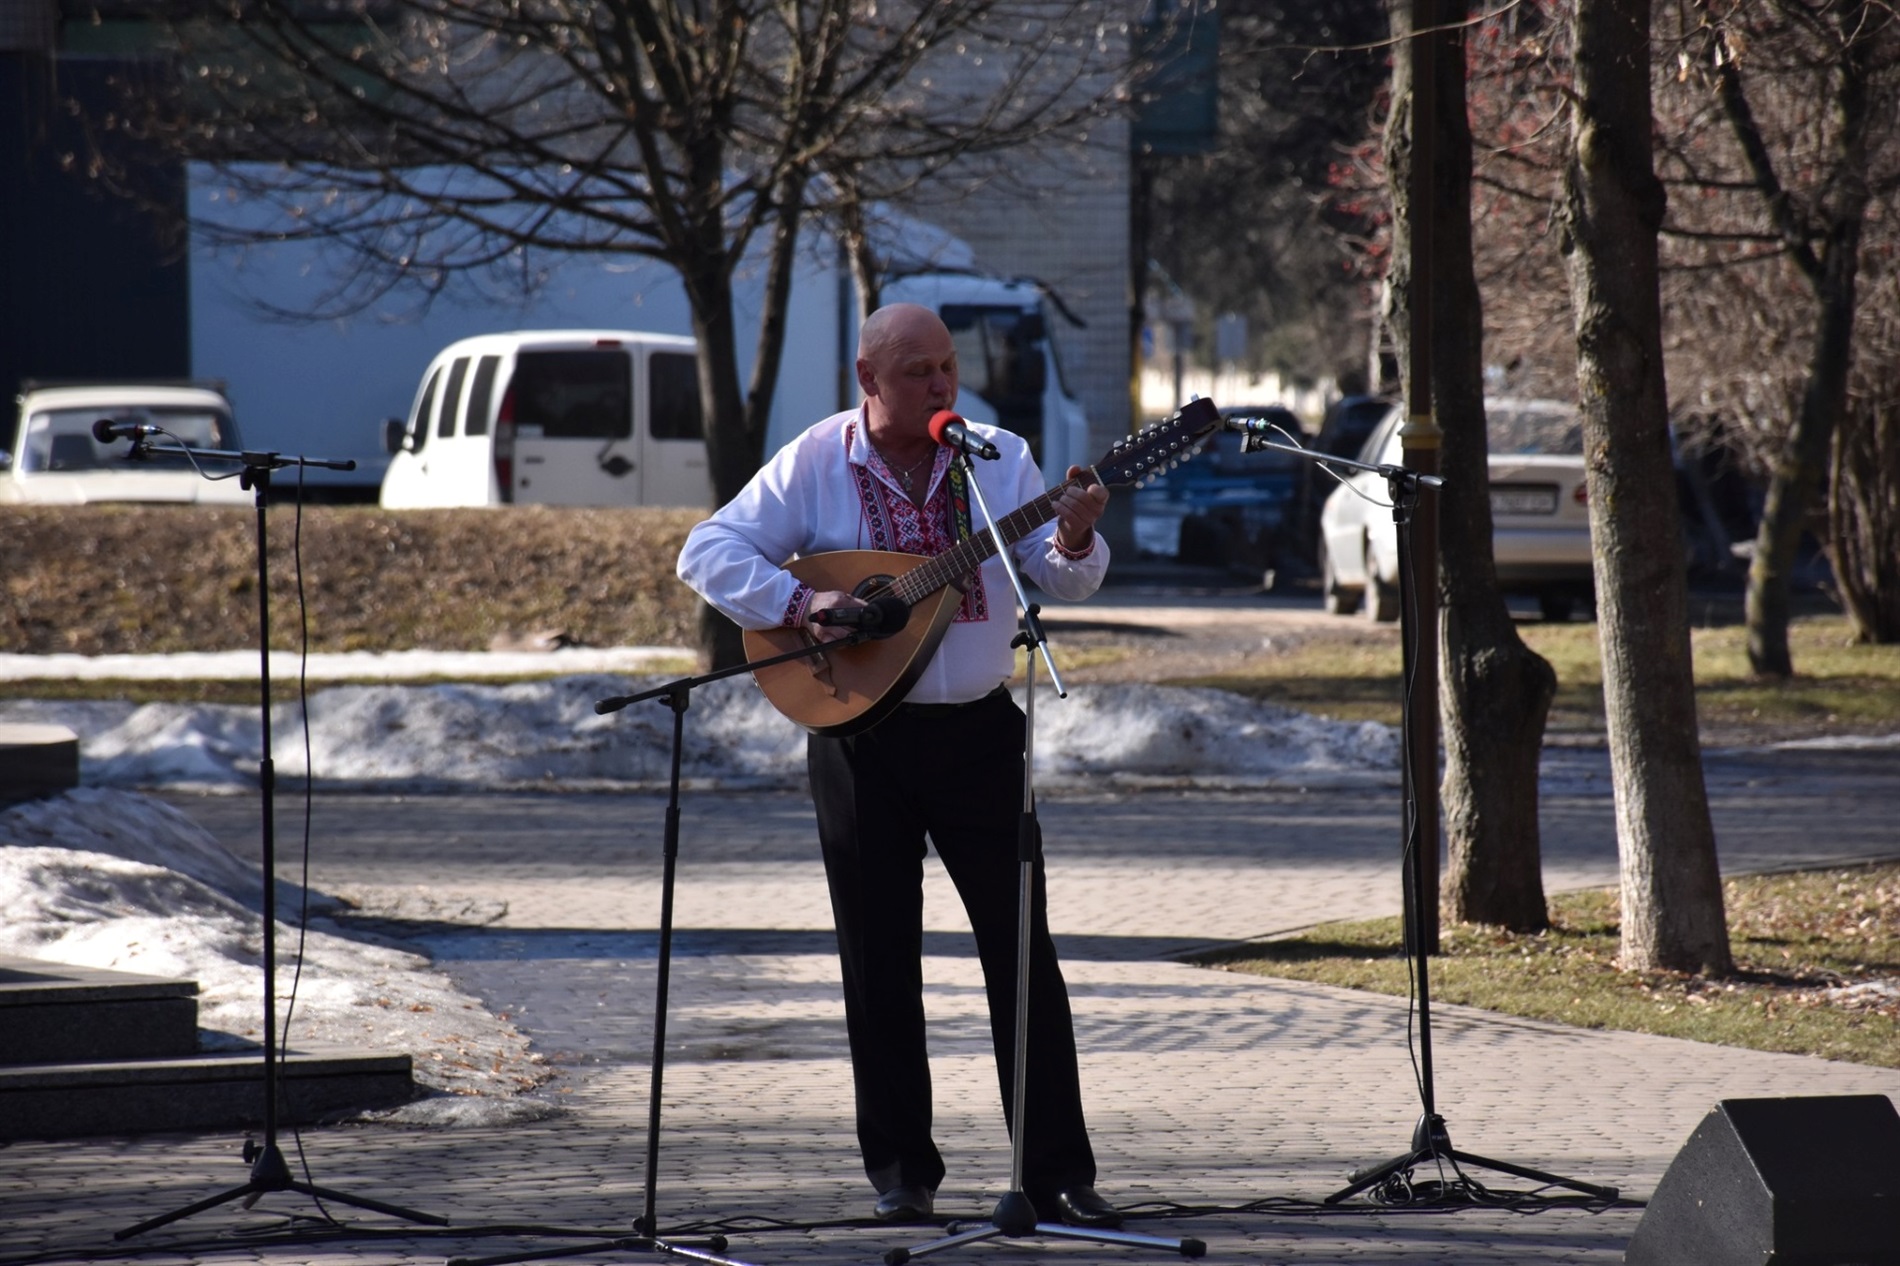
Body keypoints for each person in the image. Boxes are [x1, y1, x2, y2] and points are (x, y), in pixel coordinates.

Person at [676, 303, 1122, 1229]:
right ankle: (902, 1174)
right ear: (868, 379)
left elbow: (1060, 573)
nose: (941, 385)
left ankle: (1055, 1171)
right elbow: (706, 550)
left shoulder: (996, 456)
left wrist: (1076, 535)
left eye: (948, 368)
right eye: (917, 370)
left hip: (980, 735)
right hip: (859, 734)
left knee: (1021, 951)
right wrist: (804, 601)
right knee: (879, 959)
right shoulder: (816, 457)